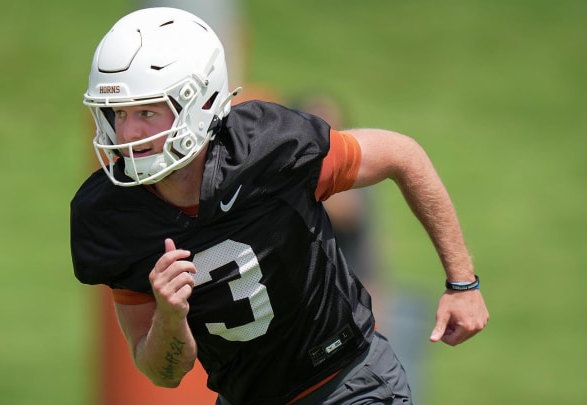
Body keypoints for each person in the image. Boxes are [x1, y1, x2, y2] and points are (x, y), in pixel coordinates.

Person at [70, 7, 489, 405]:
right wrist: (168, 315)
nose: (127, 132)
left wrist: (462, 283)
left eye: (146, 111)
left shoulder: (268, 146)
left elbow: (402, 154)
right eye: (116, 113)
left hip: (349, 381)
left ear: (199, 104)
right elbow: (165, 372)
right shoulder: (109, 215)